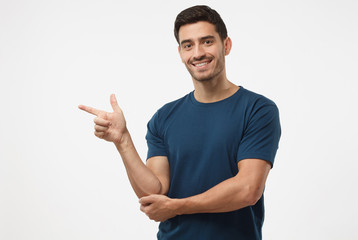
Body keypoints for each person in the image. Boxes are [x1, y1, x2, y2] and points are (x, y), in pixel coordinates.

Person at [79, 5, 281, 240]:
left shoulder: (257, 109)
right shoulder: (164, 118)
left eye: (207, 41)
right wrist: (123, 141)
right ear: (180, 53)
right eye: (188, 45)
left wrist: (177, 207)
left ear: (226, 45)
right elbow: (155, 192)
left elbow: (248, 189)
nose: (197, 53)